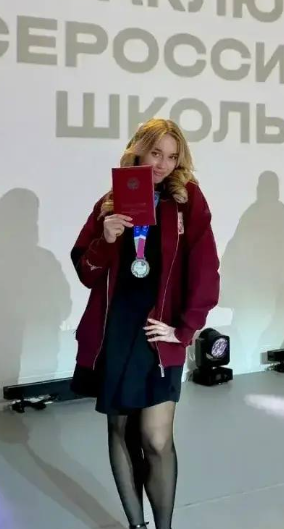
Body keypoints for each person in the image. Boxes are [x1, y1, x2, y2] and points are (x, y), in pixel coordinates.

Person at [69, 119, 220, 529]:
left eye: (172, 156)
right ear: (138, 150)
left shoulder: (188, 200)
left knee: (156, 438)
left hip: (159, 333)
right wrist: (106, 239)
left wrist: (184, 330)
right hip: (116, 331)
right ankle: (138, 526)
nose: (164, 164)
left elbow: (206, 269)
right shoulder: (110, 202)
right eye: (156, 153)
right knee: (120, 431)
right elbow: (86, 272)